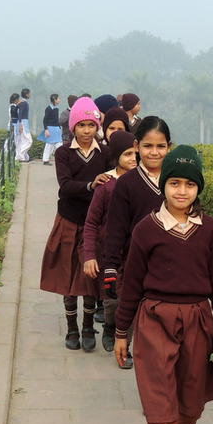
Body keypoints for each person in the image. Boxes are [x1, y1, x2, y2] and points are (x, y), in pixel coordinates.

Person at [113, 144, 213, 424]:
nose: (181, 191)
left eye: (189, 185)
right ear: (164, 185)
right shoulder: (146, 229)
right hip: (154, 322)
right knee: (158, 406)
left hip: (199, 321)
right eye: (174, 183)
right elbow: (131, 283)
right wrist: (122, 331)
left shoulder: (210, 230)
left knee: (191, 402)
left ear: (199, 189)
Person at [40, 97, 111, 351]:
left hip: (94, 225)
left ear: (96, 126)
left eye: (90, 125)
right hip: (68, 221)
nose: (86, 131)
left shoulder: (105, 153)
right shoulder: (63, 153)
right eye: (81, 125)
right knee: (68, 278)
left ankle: (89, 326)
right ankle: (71, 328)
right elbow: (66, 185)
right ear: (73, 127)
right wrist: (91, 185)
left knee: (91, 277)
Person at [102, 116, 172, 369]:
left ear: (169, 147)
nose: (154, 152)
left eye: (160, 146)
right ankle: (127, 345)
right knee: (130, 308)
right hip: (134, 261)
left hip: (170, 265)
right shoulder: (127, 184)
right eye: (148, 146)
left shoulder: (176, 182)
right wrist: (110, 267)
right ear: (137, 145)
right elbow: (116, 229)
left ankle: (160, 362)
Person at [83, 131, 138, 352]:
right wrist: (89, 255)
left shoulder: (143, 183)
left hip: (135, 253)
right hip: (109, 255)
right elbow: (91, 223)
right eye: (127, 154)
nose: (133, 158)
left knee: (131, 299)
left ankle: (126, 342)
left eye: (136, 153)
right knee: (112, 298)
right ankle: (109, 326)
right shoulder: (106, 186)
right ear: (116, 156)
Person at [37, 94, 62, 165]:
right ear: (54, 99)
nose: (59, 100)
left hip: (56, 129)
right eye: (58, 98)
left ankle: (62, 159)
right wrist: (46, 129)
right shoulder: (48, 109)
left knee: (59, 144)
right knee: (49, 145)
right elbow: (45, 120)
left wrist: (59, 128)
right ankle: (45, 160)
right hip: (50, 129)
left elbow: (56, 120)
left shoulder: (56, 108)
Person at [16, 88, 32, 162]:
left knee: (23, 140)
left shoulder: (22, 102)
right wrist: (20, 125)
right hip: (23, 123)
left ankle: (24, 157)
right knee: (29, 140)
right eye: (29, 93)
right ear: (26, 94)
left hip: (23, 122)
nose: (30, 94)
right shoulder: (24, 103)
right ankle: (21, 155)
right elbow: (20, 114)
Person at [8, 92, 20, 157]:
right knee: (14, 140)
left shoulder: (13, 106)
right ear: (15, 100)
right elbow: (13, 117)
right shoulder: (13, 107)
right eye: (18, 99)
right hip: (13, 125)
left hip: (15, 124)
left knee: (15, 140)